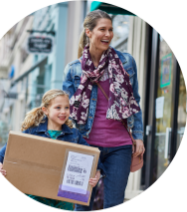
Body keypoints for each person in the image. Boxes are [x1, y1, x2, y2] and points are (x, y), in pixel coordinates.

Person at [62, 9, 145, 211]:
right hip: (85, 144)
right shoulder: (74, 69)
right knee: (81, 204)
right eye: (102, 29)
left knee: (114, 203)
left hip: (121, 146)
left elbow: (135, 102)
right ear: (89, 32)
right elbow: (67, 111)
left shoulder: (126, 63)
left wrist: (139, 135)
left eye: (110, 29)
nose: (108, 34)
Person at [0, 89, 102, 211]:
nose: (63, 111)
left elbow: (93, 156)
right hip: (36, 195)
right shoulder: (32, 132)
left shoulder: (74, 135)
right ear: (45, 110)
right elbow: (6, 151)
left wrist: (96, 172)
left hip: (64, 198)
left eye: (66, 107)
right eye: (58, 108)